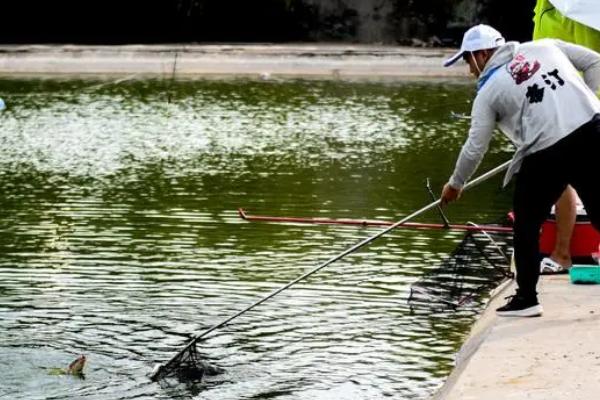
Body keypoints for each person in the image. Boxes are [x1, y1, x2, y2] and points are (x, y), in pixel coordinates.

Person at [440, 24, 600, 317]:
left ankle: (527, 299)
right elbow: (595, 61)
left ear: (483, 53)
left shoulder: (488, 92)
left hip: (547, 154)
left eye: (468, 60)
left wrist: (455, 184)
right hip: (592, 130)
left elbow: (475, 146)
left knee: (526, 224)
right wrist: (586, 103)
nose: (469, 71)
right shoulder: (545, 45)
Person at [533, 0, 600, 274]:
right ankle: (562, 254)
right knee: (558, 171)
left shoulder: (588, 11)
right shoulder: (548, 7)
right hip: (558, 99)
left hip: (589, 98)